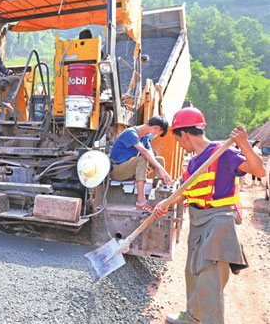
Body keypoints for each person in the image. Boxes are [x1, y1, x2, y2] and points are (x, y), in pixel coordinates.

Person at [154, 107, 265, 324]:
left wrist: (243, 144)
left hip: (218, 222)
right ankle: (193, 316)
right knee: (192, 274)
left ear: (184, 134)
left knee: (210, 281)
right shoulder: (195, 163)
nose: (179, 145)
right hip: (197, 222)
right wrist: (164, 204)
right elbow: (185, 192)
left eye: (178, 140)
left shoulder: (223, 152)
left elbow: (260, 172)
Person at [109, 116, 173, 212]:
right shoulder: (130, 133)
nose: (155, 135)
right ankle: (141, 201)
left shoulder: (144, 138)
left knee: (159, 160)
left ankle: (158, 196)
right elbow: (143, 152)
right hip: (117, 171)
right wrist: (160, 169)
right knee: (142, 159)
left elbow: (150, 156)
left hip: (127, 171)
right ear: (156, 128)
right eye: (158, 133)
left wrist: (157, 166)